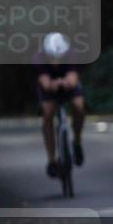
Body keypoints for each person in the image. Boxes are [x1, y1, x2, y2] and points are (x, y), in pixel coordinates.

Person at [35, 32, 86, 177]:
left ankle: (76, 140)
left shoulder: (71, 55)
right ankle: (51, 159)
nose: (55, 61)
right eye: (52, 58)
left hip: (67, 86)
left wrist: (66, 82)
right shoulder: (39, 58)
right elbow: (45, 83)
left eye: (59, 58)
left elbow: (73, 79)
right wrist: (53, 84)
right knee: (47, 113)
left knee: (79, 106)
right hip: (49, 88)